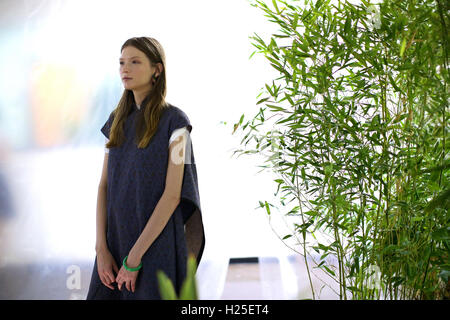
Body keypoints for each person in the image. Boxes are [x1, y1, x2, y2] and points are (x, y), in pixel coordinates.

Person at [86, 37, 205, 299]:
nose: (124, 69)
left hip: (155, 245)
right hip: (116, 242)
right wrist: (101, 249)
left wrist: (135, 258)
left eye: (135, 62)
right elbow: (104, 185)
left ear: (157, 69)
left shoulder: (177, 122)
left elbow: (173, 195)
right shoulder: (116, 121)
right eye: (121, 63)